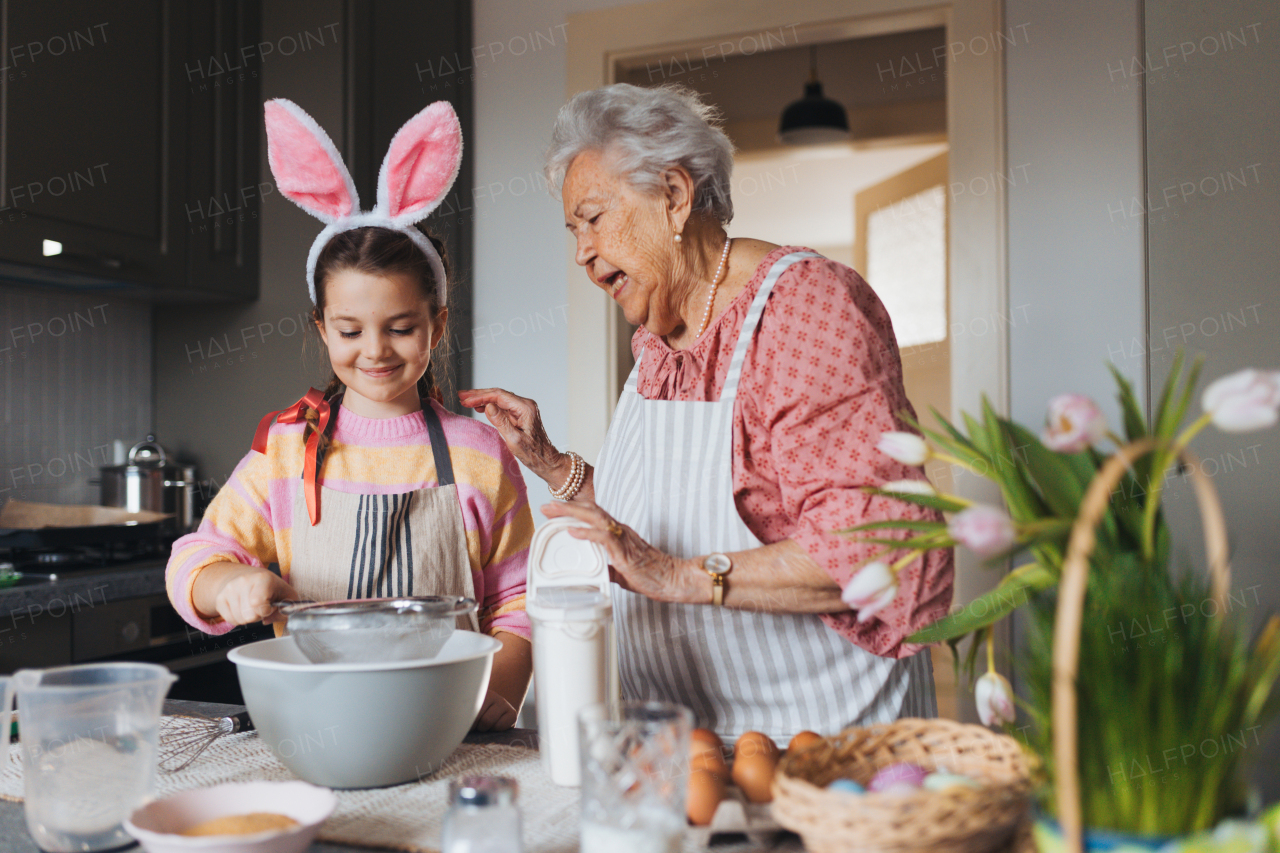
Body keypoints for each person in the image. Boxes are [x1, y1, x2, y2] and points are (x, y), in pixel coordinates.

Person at [460, 84, 953, 739]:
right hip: (687, 744)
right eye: (573, 229)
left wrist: (674, 577)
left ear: (673, 196)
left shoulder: (805, 310)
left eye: (594, 217)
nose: (580, 251)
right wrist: (553, 465)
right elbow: (660, 519)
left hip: (823, 745)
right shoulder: (659, 345)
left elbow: (878, 552)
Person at [166, 99, 532, 731]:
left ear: (436, 325)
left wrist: (494, 693)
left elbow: (519, 599)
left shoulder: (479, 453)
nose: (375, 351)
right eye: (350, 330)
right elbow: (193, 558)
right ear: (322, 328)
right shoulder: (287, 450)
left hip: (454, 731)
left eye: (400, 327)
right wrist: (226, 585)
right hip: (317, 726)